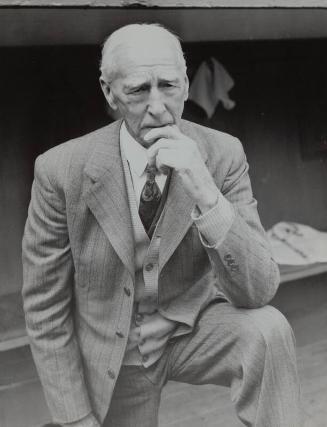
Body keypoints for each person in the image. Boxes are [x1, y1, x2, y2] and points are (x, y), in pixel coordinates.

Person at [22, 23, 301, 427]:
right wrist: (75, 418)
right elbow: (45, 307)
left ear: (187, 85)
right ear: (108, 92)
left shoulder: (222, 155)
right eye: (138, 90)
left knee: (267, 330)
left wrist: (205, 191)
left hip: (189, 330)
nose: (157, 106)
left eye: (168, 86)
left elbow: (258, 288)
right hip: (113, 350)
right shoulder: (60, 170)